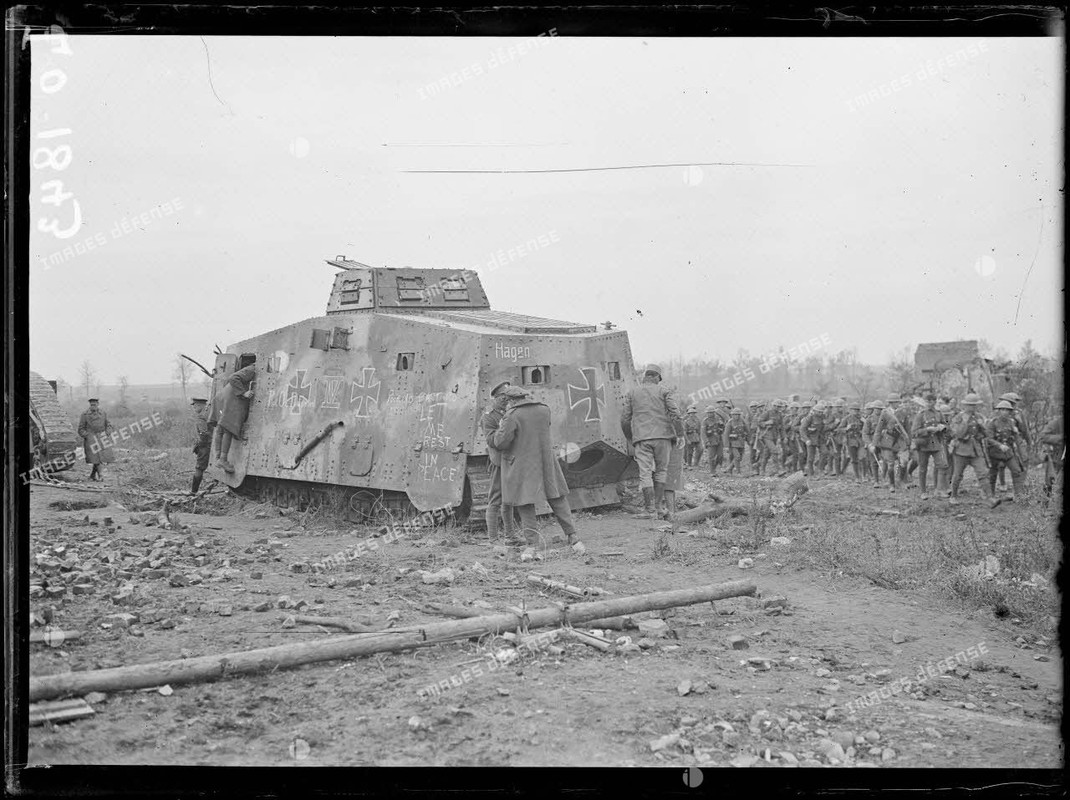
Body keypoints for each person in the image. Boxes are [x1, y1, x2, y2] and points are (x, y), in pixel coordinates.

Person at [489, 386, 582, 548]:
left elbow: (500, 442)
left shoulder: (512, 416)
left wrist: (500, 427)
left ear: (511, 400)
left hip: (523, 466)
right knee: (557, 498)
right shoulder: (544, 410)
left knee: (525, 503)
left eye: (507, 401)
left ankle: (532, 544)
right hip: (546, 462)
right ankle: (572, 535)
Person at [621, 364, 682, 519]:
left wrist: (630, 437)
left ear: (645, 376)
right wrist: (680, 434)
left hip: (641, 438)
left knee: (645, 474)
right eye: (658, 379)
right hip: (663, 437)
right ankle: (659, 508)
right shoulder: (664, 391)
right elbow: (675, 413)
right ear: (656, 377)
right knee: (661, 471)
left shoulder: (632, 392)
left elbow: (625, 419)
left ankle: (650, 511)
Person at [949, 393, 999, 508]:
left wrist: (982, 426)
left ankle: (990, 497)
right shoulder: (958, 417)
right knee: (957, 475)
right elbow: (958, 434)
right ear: (965, 405)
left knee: (983, 473)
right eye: (970, 405)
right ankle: (953, 495)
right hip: (961, 449)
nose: (973, 407)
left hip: (976, 449)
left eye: (975, 405)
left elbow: (986, 434)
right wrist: (965, 422)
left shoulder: (979, 417)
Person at [481, 380, 515, 539]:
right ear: (495, 398)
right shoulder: (489, 417)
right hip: (499, 462)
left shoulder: (511, 413)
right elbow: (491, 440)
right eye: (502, 397)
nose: (505, 400)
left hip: (512, 460)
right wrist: (503, 428)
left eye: (507, 396)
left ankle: (510, 536)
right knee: (495, 500)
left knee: (509, 500)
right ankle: (493, 539)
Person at [215, 363, 256, 473]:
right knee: (228, 429)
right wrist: (243, 393)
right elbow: (233, 377)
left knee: (221, 429)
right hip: (232, 401)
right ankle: (223, 460)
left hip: (224, 398)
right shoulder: (252, 369)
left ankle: (218, 457)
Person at [986, 400, 1026, 501]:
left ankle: (1018, 495)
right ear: (999, 411)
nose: (1004, 412)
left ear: (1010, 411)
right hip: (995, 452)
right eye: (1002, 410)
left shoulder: (1012, 422)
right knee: (993, 474)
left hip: (1008, 452)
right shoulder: (993, 422)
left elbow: (1016, 436)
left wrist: (1018, 437)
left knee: (1016, 471)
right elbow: (989, 439)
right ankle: (991, 496)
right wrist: (999, 445)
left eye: (1007, 410)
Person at [911, 393, 949, 500]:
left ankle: (939, 490)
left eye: (933, 401)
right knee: (923, 468)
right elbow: (914, 432)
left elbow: (946, 425)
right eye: (928, 401)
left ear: (935, 402)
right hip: (923, 444)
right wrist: (927, 430)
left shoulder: (939, 413)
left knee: (943, 465)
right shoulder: (920, 415)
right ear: (925, 402)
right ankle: (923, 492)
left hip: (936, 443)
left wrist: (943, 427)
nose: (930, 404)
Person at [872, 396, 910, 493]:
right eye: (896, 402)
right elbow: (878, 429)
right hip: (887, 441)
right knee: (890, 464)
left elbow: (907, 428)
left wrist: (909, 441)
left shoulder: (903, 412)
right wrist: (874, 444)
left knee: (904, 461)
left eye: (898, 402)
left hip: (900, 440)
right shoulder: (885, 413)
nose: (898, 403)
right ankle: (892, 484)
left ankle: (900, 480)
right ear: (891, 403)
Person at [77, 398, 114, 482]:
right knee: (96, 457)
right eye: (91, 405)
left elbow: (109, 424)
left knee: (101, 457)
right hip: (91, 438)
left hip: (102, 436)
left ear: (98, 404)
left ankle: (92, 475)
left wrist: (107, 432)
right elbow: (80, 429)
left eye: (95, 405)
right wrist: (87, 435)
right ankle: (101, 475)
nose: (93, 406)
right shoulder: (85, 414)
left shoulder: (103, 413)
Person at [190, 397, 215, 494]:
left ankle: (193, 492)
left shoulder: (201, 416)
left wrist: (199, 445)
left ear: (200, 405)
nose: (194, 409)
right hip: (213, 444)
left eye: (195, 406)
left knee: (199, 468)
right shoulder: (210, 413)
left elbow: (204, 434)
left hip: (205, 446)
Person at [837, 400, 866, 483]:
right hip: (850, 441)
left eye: (857, 410)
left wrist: (865, 422)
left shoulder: (862, 418)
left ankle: (864, 476)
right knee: (853, 459)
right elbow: (839, 429)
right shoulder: (846, 419)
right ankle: (857, 477)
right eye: (854, 410)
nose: (855, 412)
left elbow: (867, 429)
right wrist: (847, 428)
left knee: (862, 458)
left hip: (860, 441)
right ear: (850, 410)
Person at [799, 402, 827, 478]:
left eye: (821, 412)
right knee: (810, 458)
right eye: (819, 411)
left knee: (825, 452)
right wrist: (806, 439)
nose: (820, 413)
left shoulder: (823, 417)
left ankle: (820, 469)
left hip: (820, 438)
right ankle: (811, 474)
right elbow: (802, 429)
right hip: (811, 439)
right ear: (814, 411)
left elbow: (824, 427)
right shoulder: (809, 418)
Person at [1039, 413, 1063, 496]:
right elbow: (1042, 436)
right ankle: (1045, 503)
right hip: (1057, 456)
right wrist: (1061, 438)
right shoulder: (1057, 423)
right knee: (1049, 481)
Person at [701, 405, 725, 476]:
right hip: (710, 441)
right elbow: (703, 433)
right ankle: (712, 471)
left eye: (711, 412)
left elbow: (723, 427)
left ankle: (714, 467)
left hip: (718, 440)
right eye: (708, 413)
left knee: (720, 456)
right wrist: (706, 441)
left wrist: (721, 428)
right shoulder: (705, 421)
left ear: (714, 412)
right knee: (711, 457)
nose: (710, 414)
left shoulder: (718, 419)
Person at [725, 407, 749, 475]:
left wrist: (749, 440)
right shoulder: (730, 422)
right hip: (733, 443)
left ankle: (729, 469)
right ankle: (738, 472)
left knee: (740, 458)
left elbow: (747, 431)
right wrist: (726, 446)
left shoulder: (742, 421)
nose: (737, 416)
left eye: (738, 414)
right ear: (732, 415)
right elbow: (726, 435)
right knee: (737, 457)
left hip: (741, 442)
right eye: (735, 414)